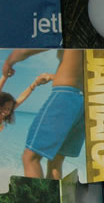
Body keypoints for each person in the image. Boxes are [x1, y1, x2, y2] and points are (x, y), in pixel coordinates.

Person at [2, 49, 85, 179]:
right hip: (83, 101)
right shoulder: (88, 36)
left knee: (30, 158)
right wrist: (51, 76)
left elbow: (25, 50)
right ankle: (55, 198)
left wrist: (9, 61)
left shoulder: (66, 32)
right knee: (56, 161)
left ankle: (38, 200)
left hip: (64, 96)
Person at [0, 65, 53, 132]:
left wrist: (35, 83)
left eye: (8, 109)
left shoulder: (4, 117)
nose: (6, 111)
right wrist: (5, 76)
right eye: (3, 108)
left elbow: (21, 98)